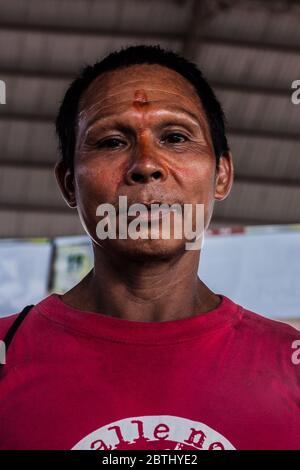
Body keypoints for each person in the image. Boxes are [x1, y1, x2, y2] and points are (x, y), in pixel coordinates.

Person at [0, 45, 299, 450]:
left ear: (222, 175)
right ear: (69, 183)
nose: (145, 164)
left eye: (175, 137)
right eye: (110, 142)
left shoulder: (290, 366)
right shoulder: (8, 354)